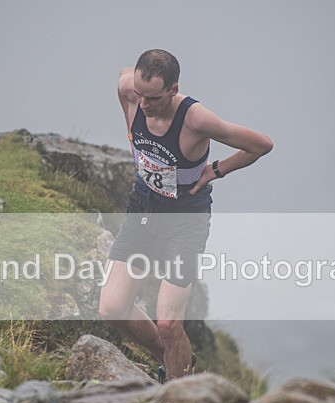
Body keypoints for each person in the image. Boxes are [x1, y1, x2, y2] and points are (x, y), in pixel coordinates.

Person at [98, 49, 273, 381]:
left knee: (168, 322)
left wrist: (215, 171)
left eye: (153, 98)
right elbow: (125, 80)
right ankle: (172, 360)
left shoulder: (196, 120)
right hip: (145, 206)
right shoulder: (129, 89)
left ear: (173, 90)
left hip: (185, 218)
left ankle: (178, 392)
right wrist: (131, 129)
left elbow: (261, 144)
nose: (144, 104)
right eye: (140, 94)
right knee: (112, 308)